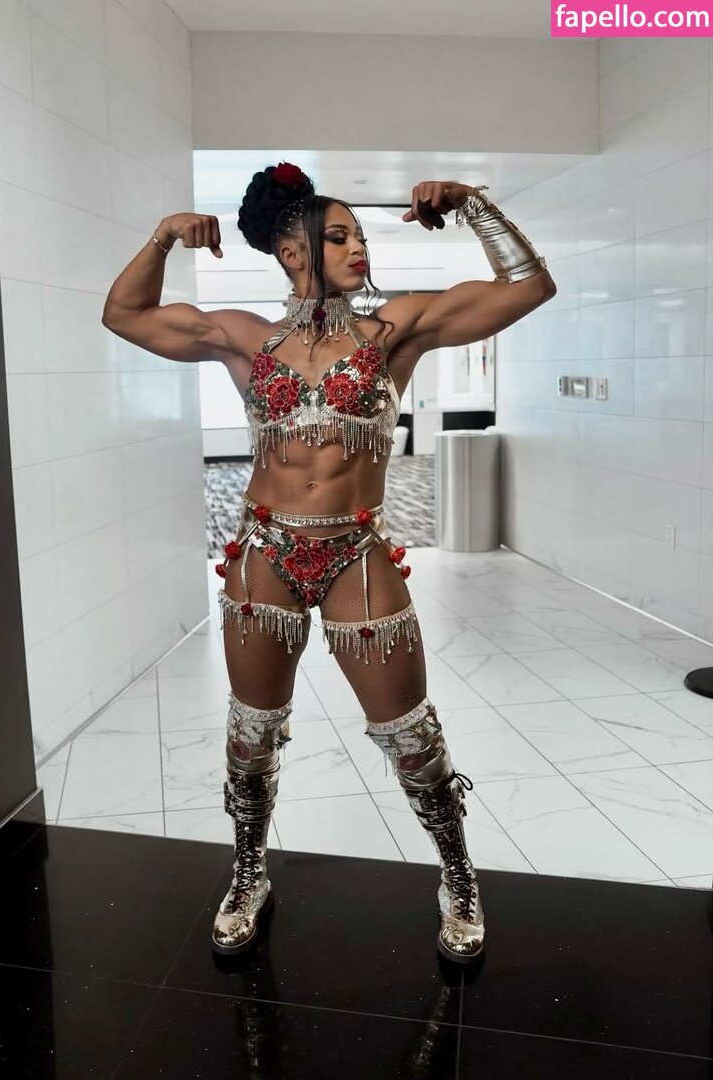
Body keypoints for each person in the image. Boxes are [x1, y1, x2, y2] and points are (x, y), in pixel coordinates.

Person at [102, 164, 556, 965]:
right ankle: (248, 872)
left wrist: (474, 205)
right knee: (251, 738)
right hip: (265, 553)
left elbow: (529, 287)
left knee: (412, 738)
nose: (357, 249)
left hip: (356, 552)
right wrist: (165, 237)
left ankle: (459, 876)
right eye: (338, 236)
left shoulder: (394, 331)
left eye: (360, 237)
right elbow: (124, 314)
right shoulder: (246, 337)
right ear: (291, 252)